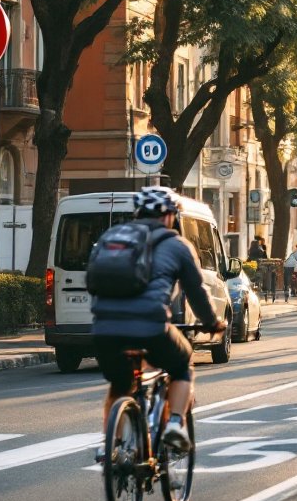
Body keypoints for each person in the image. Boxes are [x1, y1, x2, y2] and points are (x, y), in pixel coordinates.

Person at [89, 186, 225, 452]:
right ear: (169, 216)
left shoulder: (110, 237)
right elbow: (196, 291)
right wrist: (211, 322)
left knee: (120, 384)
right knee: (182, 362)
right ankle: (175, 423)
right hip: (150, 326)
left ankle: (110, 447)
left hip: (104, 329)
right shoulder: (178, 245)